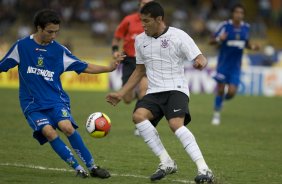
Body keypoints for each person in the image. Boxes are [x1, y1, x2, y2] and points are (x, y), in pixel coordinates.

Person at [0, 9, 125, 178]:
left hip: (55, 100)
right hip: (32, 103)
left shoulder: (59, 50)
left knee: (67, 127)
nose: (53, 36)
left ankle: (92, 167)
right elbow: (2, 65)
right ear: (39, 28)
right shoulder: (21, 47)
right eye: (50, 32)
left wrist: (108, 68)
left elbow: (84, 66)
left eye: (56, 32)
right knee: (49, 132)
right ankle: (77, 168)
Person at [106, 2, 214, 183]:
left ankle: (204, 169)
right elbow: (140, 70)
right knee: (138, 116)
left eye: (147, 21)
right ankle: (166, 162)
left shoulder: (179, 36)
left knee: (175, 124)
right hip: (154, 91)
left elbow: (200, 57)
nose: (143, 25)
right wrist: (121, 92)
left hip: (176, 89)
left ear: (159, 19)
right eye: (141, 21)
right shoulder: (140, 40)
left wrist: (201, 62)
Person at [210, 4, 260, 125]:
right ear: (232, 14)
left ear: (243, 15)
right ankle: (216, 114)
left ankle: (221, 101)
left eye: (241, 13)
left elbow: (246, 43)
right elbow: (211, 41)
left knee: (232, 93)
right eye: (237, 12)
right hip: (223, 64)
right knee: (221, 89)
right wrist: (219, 39)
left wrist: (252, 47)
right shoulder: (224, 26)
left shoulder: (246, 27)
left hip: (236, 67)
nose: (239, 15)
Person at [112, 0, 152, 136]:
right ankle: (134, 93)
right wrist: (115, 51)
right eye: (144, 2)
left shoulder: (154, 22)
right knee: (127, 99)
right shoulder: (128, 20)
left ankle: (139, 125)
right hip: (129, 60)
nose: (146, 5)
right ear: (139, 5)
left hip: (146, 62)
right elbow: (117, 37)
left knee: (144, 91)